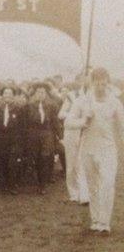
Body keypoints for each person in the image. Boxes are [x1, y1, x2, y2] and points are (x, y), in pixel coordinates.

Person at [65, 68, 124, 233]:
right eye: (97, 84)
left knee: (107, 183)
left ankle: (105, 222)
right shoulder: (83, 101)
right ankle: (96, 219)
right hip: (88, 148)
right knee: (93, 186)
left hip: (107, 149)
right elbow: (68, 122)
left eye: (104, 84)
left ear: (107, 83)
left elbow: (122, 127)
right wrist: (83, 120)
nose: (100, 87)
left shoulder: (115, 102)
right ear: (91, 83)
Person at [59, 78, 89, 205]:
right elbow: (61, 114)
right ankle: (74, 193)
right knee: (71, 164)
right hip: (72, 133)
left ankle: (84, 194)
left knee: (83, 163)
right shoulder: (72, 96)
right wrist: (73, 114)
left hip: (86, 134)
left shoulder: (94, 96)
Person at [26, 83, 60, 195]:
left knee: (44, 158)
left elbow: (55, 122)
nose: (40, 95)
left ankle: (42, 185)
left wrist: (60, 136)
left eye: (43, 93)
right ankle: (36, 180)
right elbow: (25, 123)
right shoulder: (29, 106)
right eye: (38, 92)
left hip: (47, 134)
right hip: (33, 134)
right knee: (35, 158)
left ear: (46, 94)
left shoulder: (51, 106)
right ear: (34, 94)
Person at [0, 87, 23, 194]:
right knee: (2, 161)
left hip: (14, 138)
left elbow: (22, 126)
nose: (7, 95)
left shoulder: (18, 109)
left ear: (13, 96)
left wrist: (20, 141)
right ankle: (4, 183)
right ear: (2, 95)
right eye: (5, 93)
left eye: (10, 93)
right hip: (1, 138)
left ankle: (12, 185)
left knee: (12, 162)